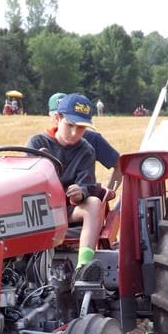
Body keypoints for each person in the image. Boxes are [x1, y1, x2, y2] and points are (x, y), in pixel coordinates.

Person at [27, 93, 104, 282]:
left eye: (81, 128)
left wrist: (80, 193)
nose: (74, 133)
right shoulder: (37, 143)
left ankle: (83, 267)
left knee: (94, 203)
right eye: (70, 125)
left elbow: (87, 185)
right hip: (40, 208)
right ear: (58, 118)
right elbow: (28, 183)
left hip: (67, 209)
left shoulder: (86, 150)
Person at [48, 92, 122, 194]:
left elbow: (119, 165)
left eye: (80, 126)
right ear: (56, 117)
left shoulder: (91, 141)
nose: (74, 132)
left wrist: (107, 194)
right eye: (69, 124)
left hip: (82, 201)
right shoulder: (41, 142)